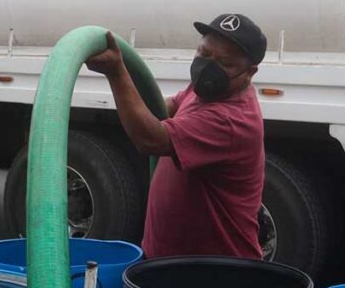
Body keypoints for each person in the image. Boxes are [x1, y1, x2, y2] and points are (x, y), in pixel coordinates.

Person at [85, 13, 268, 259]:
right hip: (174, 262)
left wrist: (117, 73)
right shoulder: (207, 89)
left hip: (216, 273)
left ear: (250, 72)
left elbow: (151, 139)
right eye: (203, 54)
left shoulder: (231, 120)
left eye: (224, 63)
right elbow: (164, 108)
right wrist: (129, 80)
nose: (208, 67)